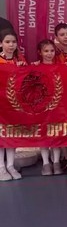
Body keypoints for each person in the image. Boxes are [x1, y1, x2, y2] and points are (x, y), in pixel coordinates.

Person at [36, 40, 63, 176]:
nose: (49, 54)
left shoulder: (60, 67)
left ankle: (56, 162)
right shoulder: (35, 68)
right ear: (40, 53)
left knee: (56, 134)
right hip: (41, 107)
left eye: (52, 51)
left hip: (57, 106)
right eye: (46, 51)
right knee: (43, 134)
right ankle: (46, 163)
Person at [0, 30, 23, 181]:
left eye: (13, 42)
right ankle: (1, 167)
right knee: (1, 135)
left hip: (14, 105)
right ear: (1, 44)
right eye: (7, 42)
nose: (11, 45)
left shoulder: (19, 60)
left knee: (12, 135)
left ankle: (10, 165)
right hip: (0, 104)